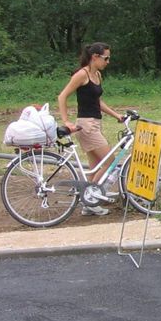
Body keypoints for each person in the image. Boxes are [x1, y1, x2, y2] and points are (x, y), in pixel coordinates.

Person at [57, 42, 124, 216]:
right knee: (110, 162)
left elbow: (98, 102)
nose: (108, 61)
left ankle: (88, 202)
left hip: (95, 123)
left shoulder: (98, 75)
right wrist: (66, 120)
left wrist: (117, 116)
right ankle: (92, 199)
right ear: (95, 57)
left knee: (95, 167)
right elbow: (62, 96)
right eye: (106, 58)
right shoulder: (82, 74)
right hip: (86, 126)